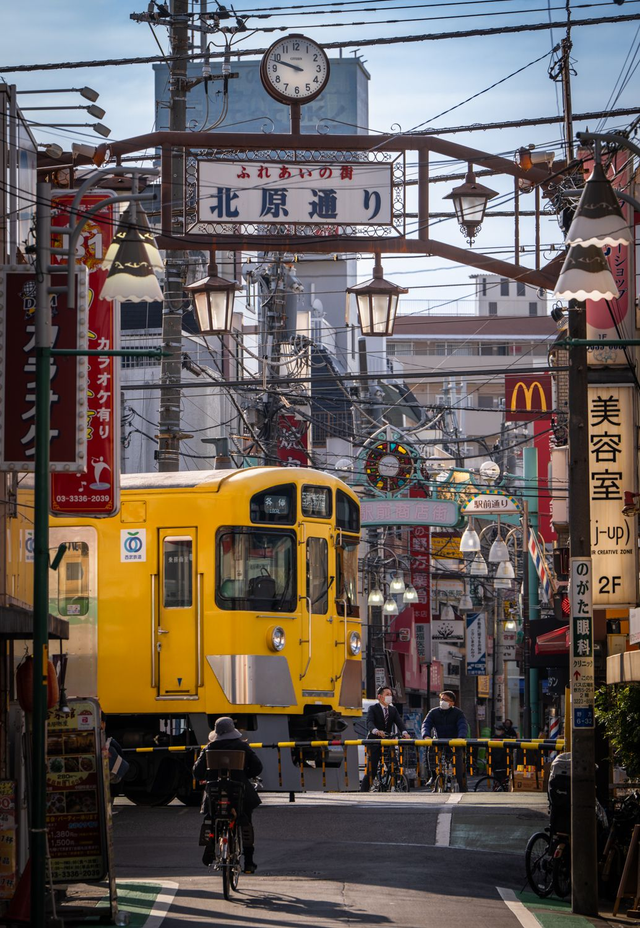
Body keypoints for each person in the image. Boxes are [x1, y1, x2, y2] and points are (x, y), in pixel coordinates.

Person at [193, 717, 263, 874]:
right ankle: (249, 862)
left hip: (214, 794)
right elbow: (258, 767)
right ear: (233, 731)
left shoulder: (209, 748)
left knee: (212, 816)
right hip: (239, 793)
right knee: (246, 820)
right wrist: (245, 775)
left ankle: (211, 843)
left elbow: (197, 773)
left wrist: (209, 775)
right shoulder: (242, 747)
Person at [360, 685, 411, 792]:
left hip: (387, 741)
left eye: (391, 695)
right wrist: (376, 731)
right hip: (374, 741)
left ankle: (394, 783)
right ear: (380, 697)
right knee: (372, 768)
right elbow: (369, 722)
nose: (389, 697)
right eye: (387, 694)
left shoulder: (393, 710)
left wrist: (405, 732)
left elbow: (399, 722)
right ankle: (363, 791)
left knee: (394, 765)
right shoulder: (373, 708)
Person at [421, 691, 469, 792]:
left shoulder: (458, 713)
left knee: (458, 763)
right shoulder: (433, 712)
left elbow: (462, 726)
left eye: (446, 700)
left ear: (452, 703)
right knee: (430, 752)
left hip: (454, 743)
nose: (442, 702)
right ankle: (433, 776)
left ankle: (461, 784)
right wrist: (426, 735)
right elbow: (426, 724)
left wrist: (460, 737)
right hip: (439, 741)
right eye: (441, 699)